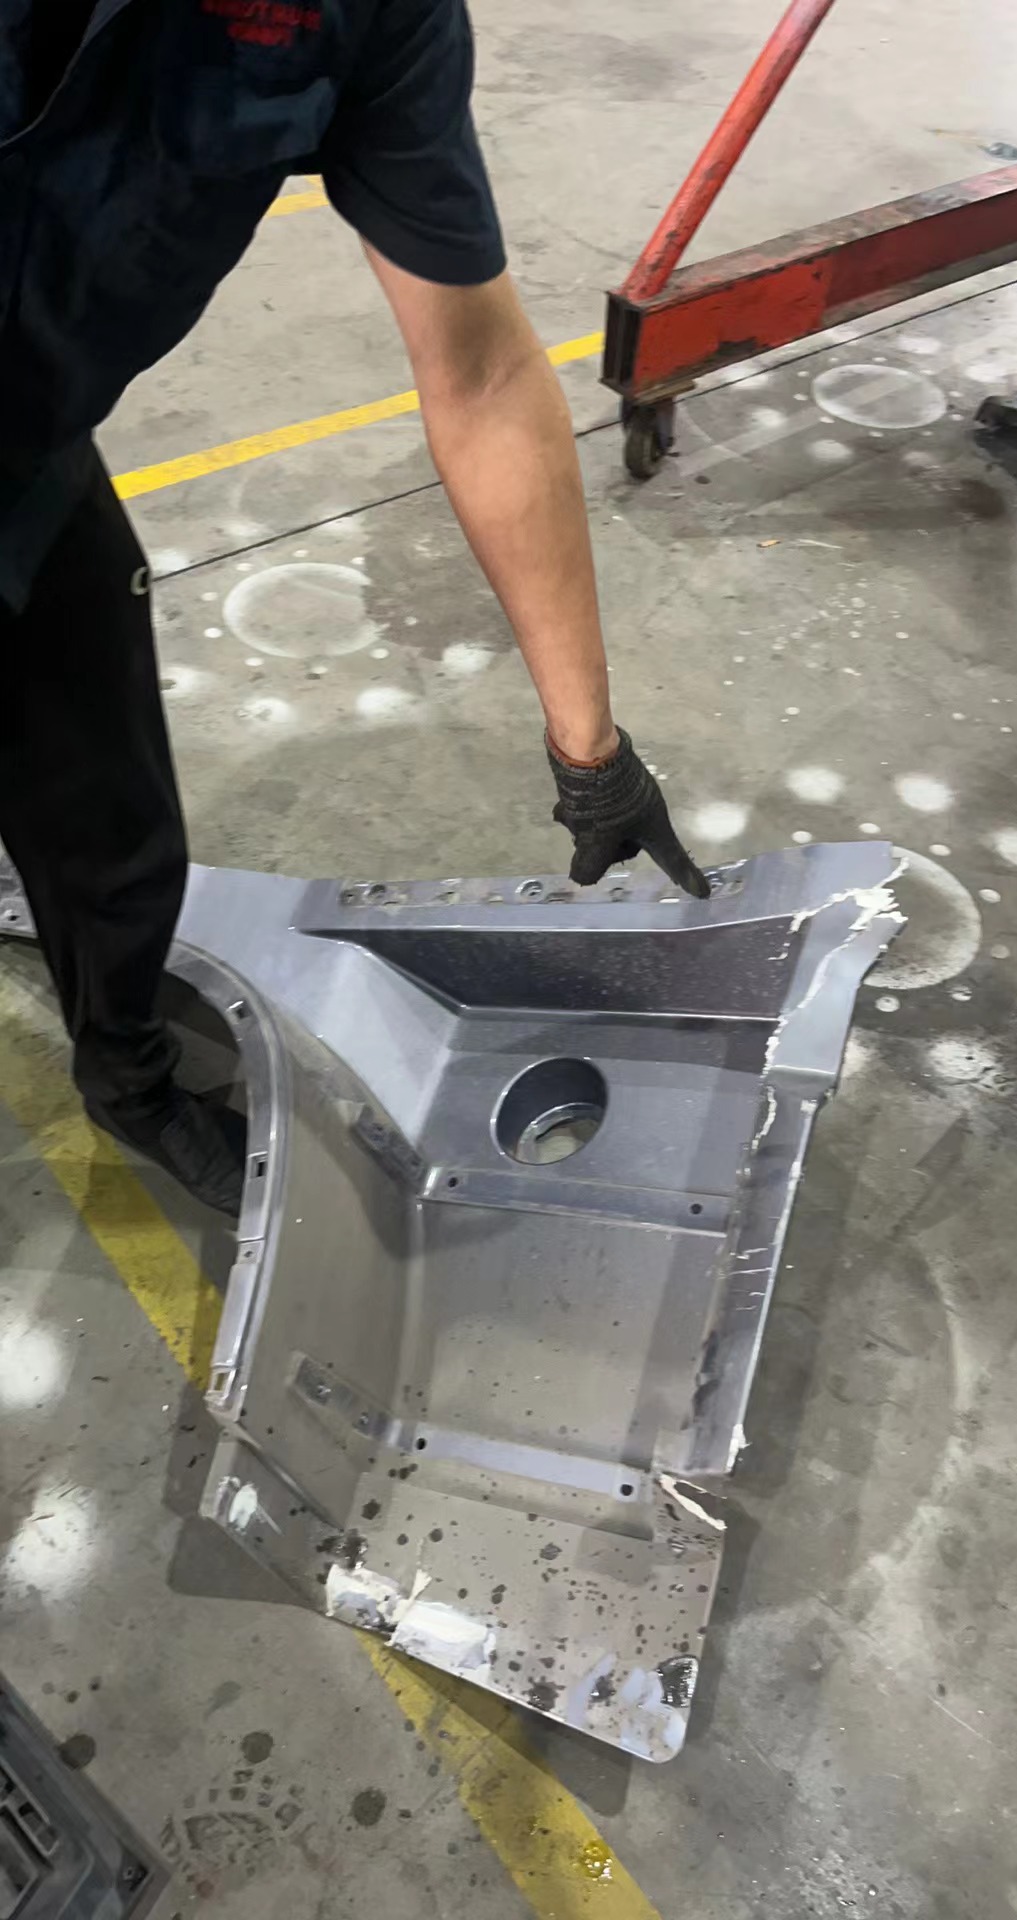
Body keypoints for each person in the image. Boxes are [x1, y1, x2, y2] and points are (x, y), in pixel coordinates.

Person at [0, 0, 708, 1216]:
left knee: (112, 824)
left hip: (27, 454)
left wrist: (589, 749)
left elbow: (483, 373)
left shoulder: (367, 15)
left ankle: (128, 1076)